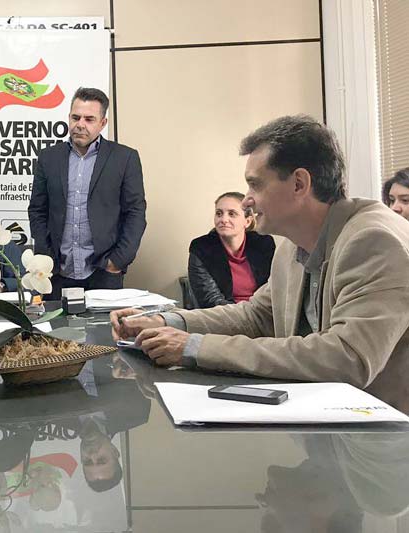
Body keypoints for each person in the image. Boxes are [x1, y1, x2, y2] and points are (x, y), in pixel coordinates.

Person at [111, 115, 409, 402]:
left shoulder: (373, 241)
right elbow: (255, 316)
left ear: (299, 184)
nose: (246, 200)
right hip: (322, 417)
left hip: (381, 430)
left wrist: (195, 347)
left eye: (256, 184)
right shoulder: (291, 246)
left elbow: (347, 356)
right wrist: (166, 321)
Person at [28, 87, 146, 299]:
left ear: (103, 123)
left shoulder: (124, 158)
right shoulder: (49, 157)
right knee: (55, 322)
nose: (80, 124)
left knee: (104, 323)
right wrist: (46, 256)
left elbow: (135, 213)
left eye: (89, 119)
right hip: (56, 272)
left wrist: (117, 261)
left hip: (104, 271)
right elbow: (37, 210)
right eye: (76, 117)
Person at [188, 191, 275, 308]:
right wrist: (244, 314)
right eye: (219, 213)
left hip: (263, 311)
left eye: (232, 214)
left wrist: (259, 313)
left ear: (247, 221)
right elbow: (210, 300)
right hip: (224, 315)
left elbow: (273, 290)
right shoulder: (201, 248)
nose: (223, 219)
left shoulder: (263, 244)